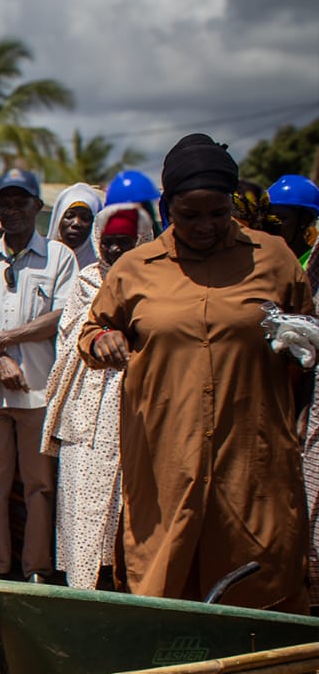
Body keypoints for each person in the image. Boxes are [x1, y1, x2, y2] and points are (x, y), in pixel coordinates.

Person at [79, 134, 314, 612]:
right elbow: (93, 331)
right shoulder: (134, 268)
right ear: (167, 208)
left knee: (257, 577)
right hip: (166, 455)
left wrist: (304, 342)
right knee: (164, 575)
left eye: (217, 213)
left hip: (251, 455)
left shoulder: (273, 259)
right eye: (190, 215)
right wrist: (102, 341)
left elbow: (303, 331)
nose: (205, 226)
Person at [0, 169, 77, 581]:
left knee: (40, 486)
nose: (11, 211)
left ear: (37, 206)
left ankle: (38, 569)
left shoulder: (59, 256)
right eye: (5, 203)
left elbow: (61, 316)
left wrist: (5, 340)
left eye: (20, 202)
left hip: (38, 388)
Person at [40, 203, 151, 589]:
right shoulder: (86, 280)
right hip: (85, 409)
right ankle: (86, 585)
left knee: (130, 505)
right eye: (108, 243)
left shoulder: (156, 282)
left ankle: (128, 583)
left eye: (125, 243)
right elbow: (69, 340)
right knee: (81, 500)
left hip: (136, 406)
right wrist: (100, 341)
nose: (116, 252)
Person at [267, 174, 319, 267]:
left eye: (280, 218)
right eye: (268, 217)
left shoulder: (313, 266)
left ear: (304, 220)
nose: (272, 224)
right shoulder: (266, 261)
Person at [49, 182, 103, 270]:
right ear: (58, 219)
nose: (76, 223)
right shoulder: (39, 263)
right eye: (69, 216)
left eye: (85, 218)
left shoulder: (100, 272)